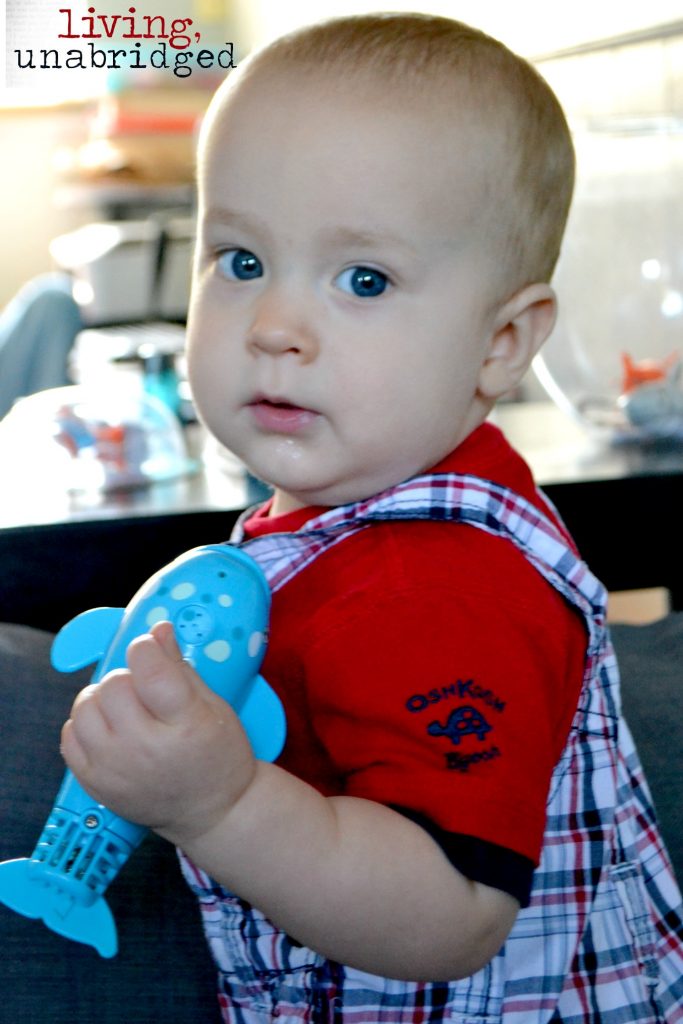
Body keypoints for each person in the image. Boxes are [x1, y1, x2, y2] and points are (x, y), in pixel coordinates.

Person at [59, 13, 683, 1023]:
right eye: (241, 260)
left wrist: (220, 803)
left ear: (500, 343)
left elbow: (452, 916)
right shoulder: (356, 508)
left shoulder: (442, 591)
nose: (272, 328)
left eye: (363, 279)